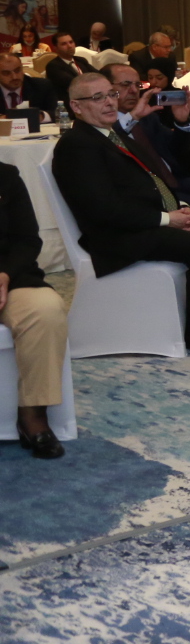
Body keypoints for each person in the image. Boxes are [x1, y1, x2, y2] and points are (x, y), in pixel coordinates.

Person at [52, 72, 190, 353]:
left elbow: (149, 180)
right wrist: (167, 219)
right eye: (97, 98)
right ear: (76, 106)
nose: (109, 103)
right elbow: (103, 209)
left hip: (145, 219)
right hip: (118, 236)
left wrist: (178, 209)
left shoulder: (108, 133)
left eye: (111, 94)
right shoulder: (77, 145)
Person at [104, 62, 190, 223]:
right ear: (107, 89)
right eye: (126, 84)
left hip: (175, 180)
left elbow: (178, 149)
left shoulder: (148, 117)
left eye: (137, 85)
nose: (134, 90)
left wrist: (181, 122)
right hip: (152, 191)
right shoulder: (105, 122)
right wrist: (132, 117)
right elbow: (110, 140)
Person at [1, 160, 68, 458]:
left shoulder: (6, 176)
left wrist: (5, 274)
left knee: (45, 310)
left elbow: (27, 240)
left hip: (9, 277)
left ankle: (33, 414)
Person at [0, 51, 56, 120]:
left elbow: (58, 113)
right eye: (6, 73)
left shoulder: (41, 86)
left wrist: (41, 116)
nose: (14, 77)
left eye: (17, 70)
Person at [43, 31, 84, 105]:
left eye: (71, 42)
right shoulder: (53, 66)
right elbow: (74, 84)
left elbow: (98, 74)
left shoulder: (81, 60)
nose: (69, 46)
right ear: (56, 48)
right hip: (70, 104)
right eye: (64, 44)